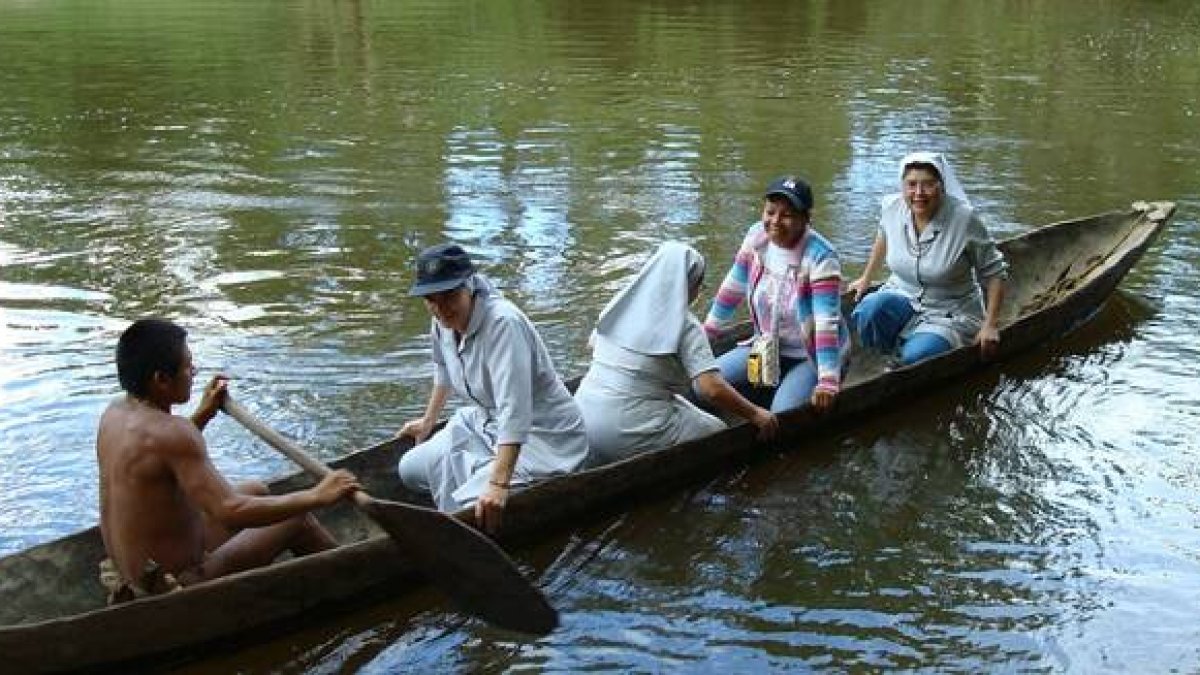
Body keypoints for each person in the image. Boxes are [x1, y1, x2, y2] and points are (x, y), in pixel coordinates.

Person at [97, 318, 359, 603]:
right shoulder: (173, 433)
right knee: (297, 519)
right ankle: (359, 580)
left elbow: (158, 455)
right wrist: (318, 495)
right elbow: (230, 510)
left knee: (256, 490)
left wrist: (203, 414)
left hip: (136, 571)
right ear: (161, 380)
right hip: (171, 585)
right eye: (188, 366)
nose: (193, 372)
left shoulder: (115, 413)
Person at [397, 243, 589, 534]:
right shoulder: (442, 320)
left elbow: (515, 410)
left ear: (469, 285)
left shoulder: (503, 324)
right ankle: (479, 469)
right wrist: (428, 421)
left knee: (475, 511)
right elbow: (443, 369)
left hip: (541, 436)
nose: (440, 308)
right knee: (409, 470)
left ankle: (494, 475)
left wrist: (498, 483)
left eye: (449, 296)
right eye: (431, 299)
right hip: (484, 422)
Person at [574, 241, 779, 465]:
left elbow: (592, 345)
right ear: (688, 286)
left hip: (582, 419)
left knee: (682, 404)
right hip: (624, 428)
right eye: (699, 285)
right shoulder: (685, 324)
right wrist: (755, 414)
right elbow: (711, 389)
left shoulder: (620, 305)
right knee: (717, 430)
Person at [703, 175, 851, 414]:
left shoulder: (821, 257)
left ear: (806, 219)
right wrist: (709, 330)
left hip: (810, 355)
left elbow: (826, 322)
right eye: (770, 212)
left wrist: (827, 380)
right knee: (703, 386)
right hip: (767, 345)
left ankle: (792, 386)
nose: (775, 221)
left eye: (787, 215)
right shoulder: (756, 238)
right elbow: (733, 286)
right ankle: (765, 391)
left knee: (783, 414)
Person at [847, 151, 1008, 365]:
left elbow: (995, 273)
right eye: (912, 184)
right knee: (868, 311)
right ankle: (891, 355)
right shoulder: (892, 208)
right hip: (902, 293)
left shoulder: (964, 219)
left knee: (917, 356)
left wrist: (990, 324)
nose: (919, 193)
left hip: (949, 309)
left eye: (928, 184)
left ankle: (907, 357)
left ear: (941, 186)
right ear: (903, 186)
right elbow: (883, 235)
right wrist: (866, 278)